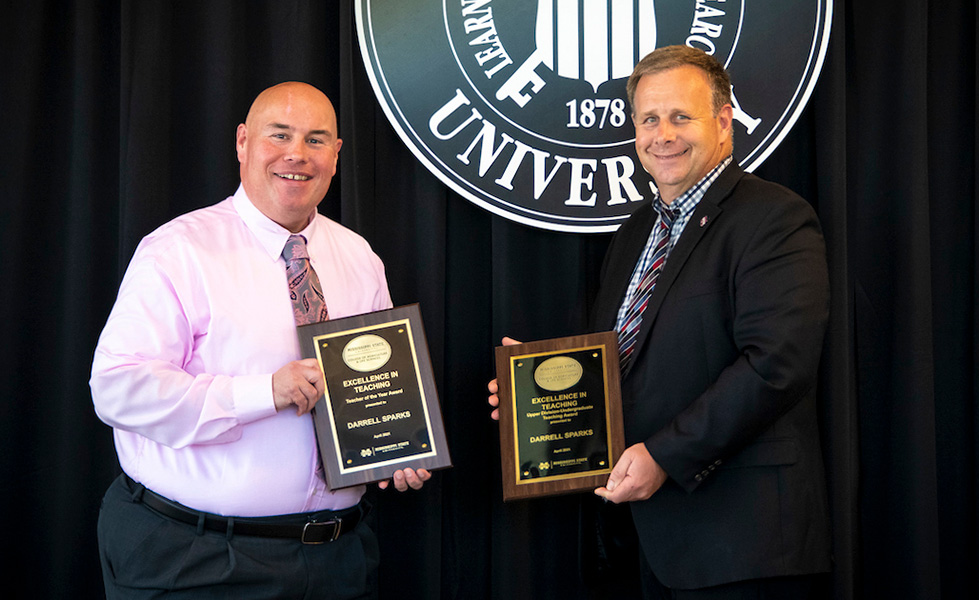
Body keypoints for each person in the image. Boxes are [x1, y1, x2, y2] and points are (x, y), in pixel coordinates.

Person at [488, 46, 832, 598]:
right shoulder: (637, 230)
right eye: (649, 119)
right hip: (643, 541)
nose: (662, 134)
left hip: (742, 544)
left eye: (680, 116)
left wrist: (665, 457)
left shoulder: (774, 217)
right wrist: (538, 394)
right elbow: (628, 360)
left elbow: (776, 365)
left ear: (723, 121)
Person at [91, 81, 430, 599]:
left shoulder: (358, 257)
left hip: (338, 559)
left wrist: (397, 452)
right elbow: (117, 388)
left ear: (336, 156)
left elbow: (375, 386)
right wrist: (263, 392)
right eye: (279, 135)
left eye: (316, 140)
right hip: (195, 560)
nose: (297, 154)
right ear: (243, 142)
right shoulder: (177, 251)